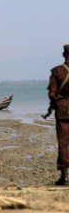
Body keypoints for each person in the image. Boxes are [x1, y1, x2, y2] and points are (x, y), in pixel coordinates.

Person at [48, 44, 69, 185]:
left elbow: (52, 93)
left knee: (63, 143)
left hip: (62, 111)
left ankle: (65, 176)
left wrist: (55, 104)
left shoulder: (57, 71)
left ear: (63, 55)